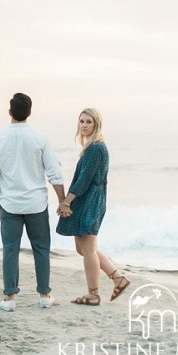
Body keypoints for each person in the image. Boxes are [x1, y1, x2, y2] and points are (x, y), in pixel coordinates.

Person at [0, 93, 66, 312]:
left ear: (9, 112)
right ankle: (45, 295)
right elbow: (54, 172)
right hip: (36, 203)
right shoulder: (40, 138)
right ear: (30, 112)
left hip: (9, 204)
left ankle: (9, 297)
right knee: (41, 248)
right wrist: (63, 201)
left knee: (10, 249)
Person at [56, 108, 131, 305]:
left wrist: (66, 202)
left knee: (88, 249)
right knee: (83, 249)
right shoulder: (93, 147)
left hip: (89, 202)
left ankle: (93, 294)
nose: (84, 125)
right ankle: (117, 278)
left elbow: (83, 180)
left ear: (96, 124)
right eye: (81, 121)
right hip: (89, 200)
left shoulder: (96, 148)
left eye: (88, 121)